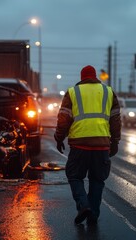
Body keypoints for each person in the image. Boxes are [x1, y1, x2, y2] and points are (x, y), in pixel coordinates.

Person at [54, 65, 121, 225]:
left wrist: (59, 138)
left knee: (75, 176)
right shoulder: (108, 92)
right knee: (97, 180)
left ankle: (83, 205)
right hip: (102, 145)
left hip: (80, 145)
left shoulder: (73, 92)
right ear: (95, 77)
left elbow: (63, 118)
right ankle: (93, 215)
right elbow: (116, 120)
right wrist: (115, 141)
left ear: (82, 77)